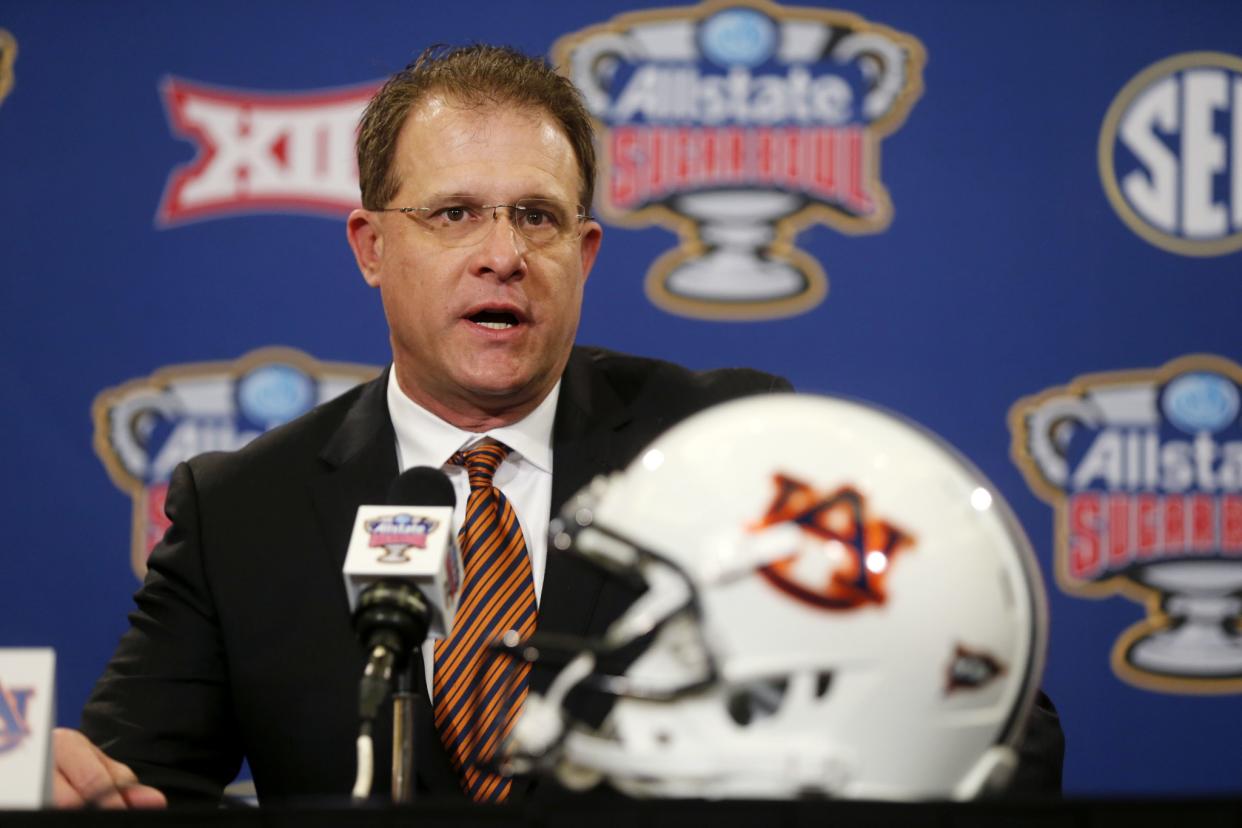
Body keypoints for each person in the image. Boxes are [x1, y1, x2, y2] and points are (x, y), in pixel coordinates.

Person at [52, 45, 1062, 808]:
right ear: (369, 245)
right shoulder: (243, 512)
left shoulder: (726, 442)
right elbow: (133, 787)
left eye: (536, 218)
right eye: (454, 215)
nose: (504, 254)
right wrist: (70, 786)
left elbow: (990, 719)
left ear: (584, 250)